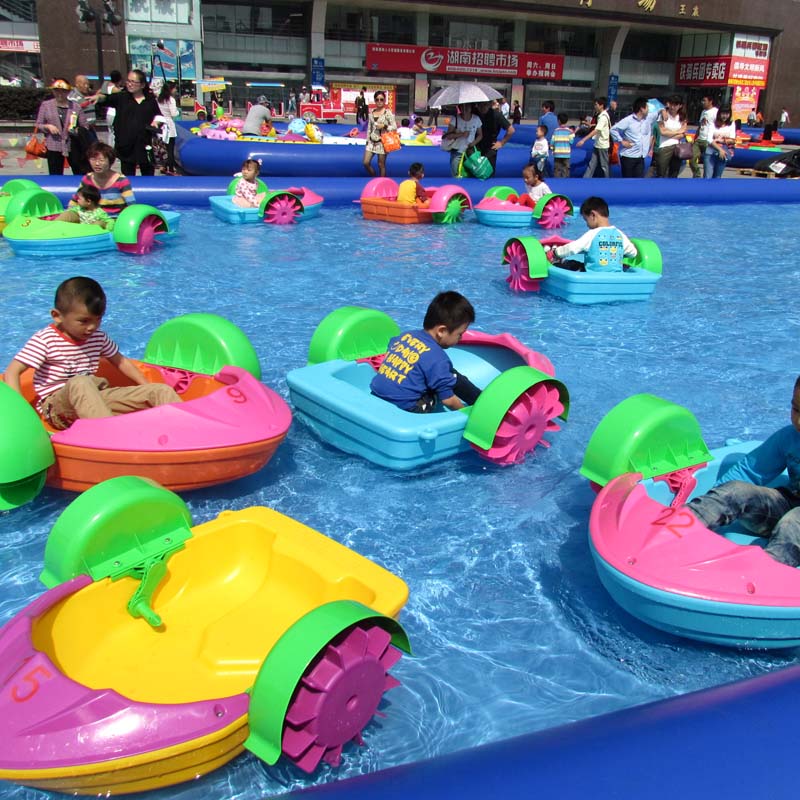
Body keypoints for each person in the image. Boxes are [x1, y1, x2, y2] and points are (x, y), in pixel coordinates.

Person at [4, 277, 181, 431]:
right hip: (58, 408)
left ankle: (185, 432)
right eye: (84, 321)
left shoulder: (98, 337)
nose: (92, 327)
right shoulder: (46, 340)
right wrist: (22, 414)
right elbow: (12, 371)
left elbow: (121, 362)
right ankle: (111, 436)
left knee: (160, 390)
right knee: (80, 382)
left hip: (95, 399)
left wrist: (146, 385)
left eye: (98, 319)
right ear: (57, 316)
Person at [686, 376, 800, 568]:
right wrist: (717, 502)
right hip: (788, 504)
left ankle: (763, 574)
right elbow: (749, 470)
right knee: (734, 490)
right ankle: (671, 532)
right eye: (796, 409)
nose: (798, 421)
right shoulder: (790, 437)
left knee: (793, 523)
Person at [369, 291, 482, 413]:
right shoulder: (438, 359)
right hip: (408, 408)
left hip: (377, 395)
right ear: (441, 331)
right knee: (452, 376)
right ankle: (480, 401)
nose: (461, 338)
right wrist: (466, 414)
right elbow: (448, 400)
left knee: (426, 373)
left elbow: (390, 347)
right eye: (459, 334)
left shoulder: (405, 336)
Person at [95, 70, 161, 177]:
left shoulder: (150, 101)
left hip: (145, 145)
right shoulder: (121, 97)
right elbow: (106, 98)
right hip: (126, 147)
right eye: (128, 81)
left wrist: (156, 122)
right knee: (128, 177)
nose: (129, 84)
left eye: (133, 82)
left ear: (142, 85)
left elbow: (159, 116)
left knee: (148, 175)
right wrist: (98, 97)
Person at [545, 196, 637, 272]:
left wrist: (555, 253)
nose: (587, 225)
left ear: (593, 215)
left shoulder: (593, 234)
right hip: (615, 276)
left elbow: (572, 248)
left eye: (586, 220)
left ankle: (557, 261)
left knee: (570, 264)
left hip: (593, 276)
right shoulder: (620, 234)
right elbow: (633, 253)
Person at [66, 142, 135, 217]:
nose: (97, 164)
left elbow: (131, 206)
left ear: (110, 162)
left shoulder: (121, 181)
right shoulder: (87, 179)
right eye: (93, 159)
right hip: (90, 218)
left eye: (101, 160)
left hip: (112, 219)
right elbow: (75, 200)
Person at [35, 78, 88, 175]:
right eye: (56, 91)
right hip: (53, 144)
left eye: (63, 91)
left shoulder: (76, 107)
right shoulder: (46, 105)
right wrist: (48, 127)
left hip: (73, 144)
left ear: (68, 92)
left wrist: (77, 130)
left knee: (79, 171)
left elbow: (84, 125)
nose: (60, 94)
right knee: (55, 173)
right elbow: (38, 124)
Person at [610, 97, 660, 178]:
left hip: (641, 157)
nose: (649, 110)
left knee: (638, 181)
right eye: (647, 107)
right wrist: (621, 141)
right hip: (628, 156)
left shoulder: (648, 118)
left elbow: (659, 111)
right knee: (628, 181)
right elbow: (613, 129)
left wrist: (663, 111)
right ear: (642, 109)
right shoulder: (628, 120)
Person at [441, 103, 482, 178]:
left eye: (467, 106)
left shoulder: (476, 119)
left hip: (470, 153)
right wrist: (461, 134)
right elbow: (448, 136)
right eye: (462, 106)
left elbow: (480, 135)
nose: (464, 108)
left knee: (471, 175)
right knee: (456, 175)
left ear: (471, 107)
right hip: (457, 152)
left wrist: (473, 143)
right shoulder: (455, 119)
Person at [474, 100, 515, 177]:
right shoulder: (475, 113)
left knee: (488, 174)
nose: (482, 107)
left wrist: (501, 143)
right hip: (475, 148)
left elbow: (511, 130)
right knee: (474, 174)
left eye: (485, 105)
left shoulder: (496, 115)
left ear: (489, 104)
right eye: (480, 105)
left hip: (490, 148)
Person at [363, 90, 397, 178]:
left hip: (382, 142)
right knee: (366, 162)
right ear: (375, 100)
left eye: (381, 99)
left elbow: (394, 127)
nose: (379, 101)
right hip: (371, 141)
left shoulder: (388, 113)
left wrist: (384, 126)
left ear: (384, 100)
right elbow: (369, 128)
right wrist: (367, 140)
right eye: (377, 99)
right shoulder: (372, 113)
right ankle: (374, 177)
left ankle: (382, 181)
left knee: (381, 164)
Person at [654, 95, 687, 178]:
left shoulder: (682, 116)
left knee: (674, 173)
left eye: (675, 105)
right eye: (671, 104)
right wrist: (678, 132)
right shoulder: (663, 115)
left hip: (677, 147)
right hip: (664, 146)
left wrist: (670, 133)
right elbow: (662, 132)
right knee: (661, 173)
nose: (672, 107)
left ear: (680, 106)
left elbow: (683, 133)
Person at [579, 97, 611, 178]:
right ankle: (586, 179)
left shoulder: (603, 117)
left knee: (604, 165)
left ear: (601, 105)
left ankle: (607, 180)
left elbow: (596, 130)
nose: (595, 106)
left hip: (603, 145)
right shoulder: (600, 116)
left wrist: (583, 140)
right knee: (592, 164)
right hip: (598, 144)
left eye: (596, 104)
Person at [703, 106, 736, 179]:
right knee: (707, 176)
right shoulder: (713, 123)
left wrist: (720, 140)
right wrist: (720, 149)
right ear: (719, 113)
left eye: (727, 114)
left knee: (717, 177)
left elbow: (733, 139)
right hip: (710, 153)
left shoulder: (731, 124)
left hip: (723, 154)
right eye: (723, 113)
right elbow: (709, 139)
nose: (725, 116)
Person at [156, 81, 180, 175]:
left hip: (160, 123)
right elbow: (173, 113)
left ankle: (164, 165)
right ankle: (171, 168)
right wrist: (178, 111)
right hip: (169, 124)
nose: (176, 90)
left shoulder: (159, 99)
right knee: (170, 148)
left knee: (163, 147)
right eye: (174, 88)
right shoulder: (171, 100)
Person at [691, 94, 717, 178]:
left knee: (707, 162)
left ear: (710, 101)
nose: (702, 102)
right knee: (692, 158)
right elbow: (700, 126)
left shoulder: (715, 112)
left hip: (708, 140)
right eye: (702, 101)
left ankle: (707, 178)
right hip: (699, 139)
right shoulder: (703, 112)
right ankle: (697, 175)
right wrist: (695, 137)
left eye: (704, 101)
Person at [549, 113, 574, 178]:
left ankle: (557, 181)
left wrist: (552, 148)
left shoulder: (556, 131)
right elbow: (571, 142)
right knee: (566, 169)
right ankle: (565, 181)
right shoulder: (569, 131)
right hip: (566, 154)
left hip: (557, 153)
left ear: (559, 121)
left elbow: (552, 142)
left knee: (557, 169)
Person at [538, 101, 558, 177]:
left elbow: (539, 131)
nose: (542, 109)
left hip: (545, 142)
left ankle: (544, 176)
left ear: (548, 108)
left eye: (543, 107)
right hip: (555, 143)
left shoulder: (542, 118)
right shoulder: (557, 119)